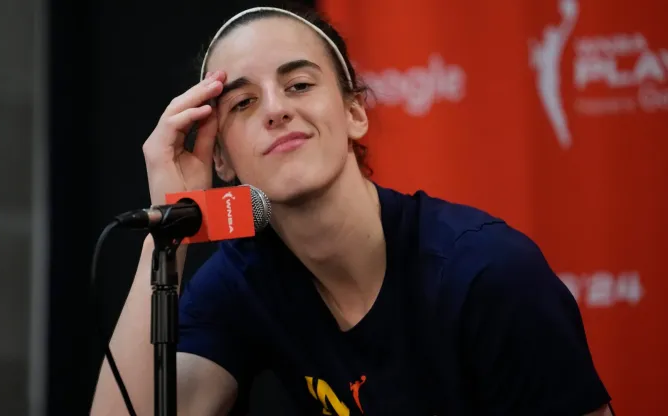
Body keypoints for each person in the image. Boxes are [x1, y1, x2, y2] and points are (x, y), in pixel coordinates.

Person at [91, 4, 613, 415]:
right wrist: (171, 231)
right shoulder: (246, 278)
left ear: (355, 112)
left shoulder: (487, 271)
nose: (276, 109)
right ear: (221, 160)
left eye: (299, 85)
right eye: (243, 103)